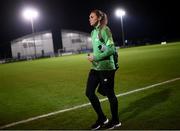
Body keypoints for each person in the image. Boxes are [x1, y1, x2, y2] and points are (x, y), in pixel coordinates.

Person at [86, 9, 121, 130]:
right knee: (89, 93)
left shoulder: (105, 30)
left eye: (91, 17)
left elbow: (111, 49)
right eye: (89, 17)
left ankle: (116, 120)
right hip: (96, 67)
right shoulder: (92, 33)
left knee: (110, 94)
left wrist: (95, 56)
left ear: (99, 18)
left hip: (106, 68)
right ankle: (102, 118)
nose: (89, 19)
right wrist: (94, 56)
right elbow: (101, 48)